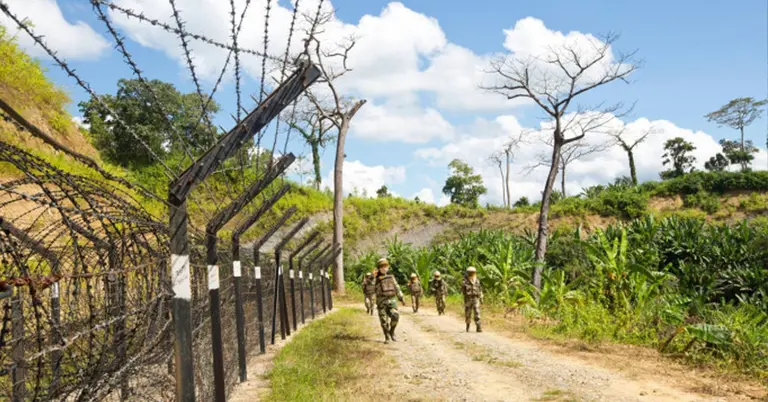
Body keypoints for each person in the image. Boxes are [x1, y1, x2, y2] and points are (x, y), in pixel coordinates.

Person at [375, 258, 404, 343]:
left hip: (392, 301)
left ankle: (392, 331)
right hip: (381, 302)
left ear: (388, 268)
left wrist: (401, 297)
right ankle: (387, 336)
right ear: (379, 268)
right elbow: (369, 285)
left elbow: (396, 287)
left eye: (385, 267)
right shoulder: (376, 279)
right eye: (382, 267)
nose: (384, 269)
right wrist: (373, 276)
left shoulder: (391, 277)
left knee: (395, 316)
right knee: (384, 321)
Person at [462, 266, 483, 333]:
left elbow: (480, 290)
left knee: (477, 312)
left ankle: (478, 326)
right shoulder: (464, 281)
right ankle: (468, 325)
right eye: (470, 272)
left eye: (472, 272)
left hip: (476, 298)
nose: (471, 273)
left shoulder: (477, 280)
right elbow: (463, 291)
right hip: (468, 299)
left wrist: (481, 297)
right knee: (468, 313)